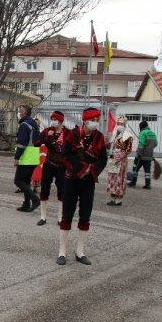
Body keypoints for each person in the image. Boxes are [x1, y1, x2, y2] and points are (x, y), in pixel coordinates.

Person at [57, 107, 108, 265]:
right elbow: (64, 155)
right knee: (67, 215)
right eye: (92, 120)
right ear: (84, 121)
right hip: (71, 179)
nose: (95, 123)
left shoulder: (99, 137)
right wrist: (80, 169)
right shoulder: (72, 134)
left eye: (96, 120)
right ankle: (62, 252)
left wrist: (90, 170)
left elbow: (103, 160)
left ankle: (80, 252)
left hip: (88, 182)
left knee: (85, 215)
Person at [35, 110, 67, 225]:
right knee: (44, 189)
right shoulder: (47, 131)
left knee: (62, 191)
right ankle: (43, 217)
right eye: (52, 119)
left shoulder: (67, 133)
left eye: (55, 119)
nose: (53, 121)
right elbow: (36, 142)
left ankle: (60, 218)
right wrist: (46, 138)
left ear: (61, 121)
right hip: (49, 164)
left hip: (62, 166)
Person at [13, 104, 41, 212]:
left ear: (25, 113)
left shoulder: (25, 125)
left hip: (26, 156)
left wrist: (17, 157)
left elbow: (21, 144)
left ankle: (35, 199)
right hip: (34, 156)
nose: (19, 113)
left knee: (18, 181)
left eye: (20, 111)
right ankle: (26, 204)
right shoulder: (34, 125)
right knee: (26, 181)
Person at [106, 115, 134, 206]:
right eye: (118, 123)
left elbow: (128, 150)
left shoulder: (128, 136)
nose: (119, 125)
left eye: (121, 124)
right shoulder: (115, 134)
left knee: (119, 179)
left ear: (125, 124)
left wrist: (119, 156)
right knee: (112, 178)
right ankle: (113, 197)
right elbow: (111, 146)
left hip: (121, 161)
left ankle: (118, 199)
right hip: (113, 160)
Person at [128, 120, 157, 189]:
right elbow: (155, 144)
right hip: (149, 156)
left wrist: (139, 154)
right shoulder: (153, 133)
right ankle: (148, 184)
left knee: (135, 169)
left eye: (139, 127)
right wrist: (149, 149)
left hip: (141, 156)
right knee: (147, 171)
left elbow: (141, 144)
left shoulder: (143, 133)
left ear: (141, 127)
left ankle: (133, 182)